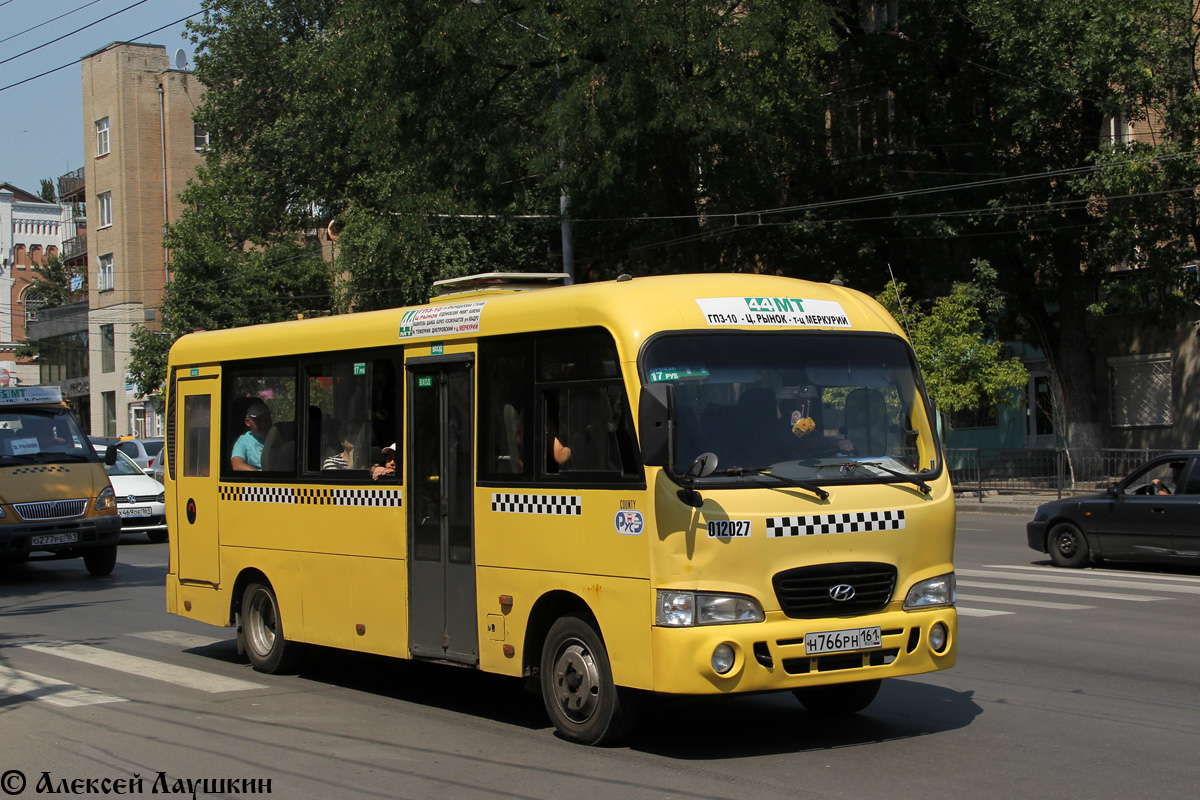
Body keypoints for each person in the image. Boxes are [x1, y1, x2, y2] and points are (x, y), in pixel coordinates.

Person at [231, 399, 272, 471]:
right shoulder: (244, 441)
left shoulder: (275, 438)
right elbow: (237, 465)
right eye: (259, 420)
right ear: (247, 422)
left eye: (266, 419)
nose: (264, 424)